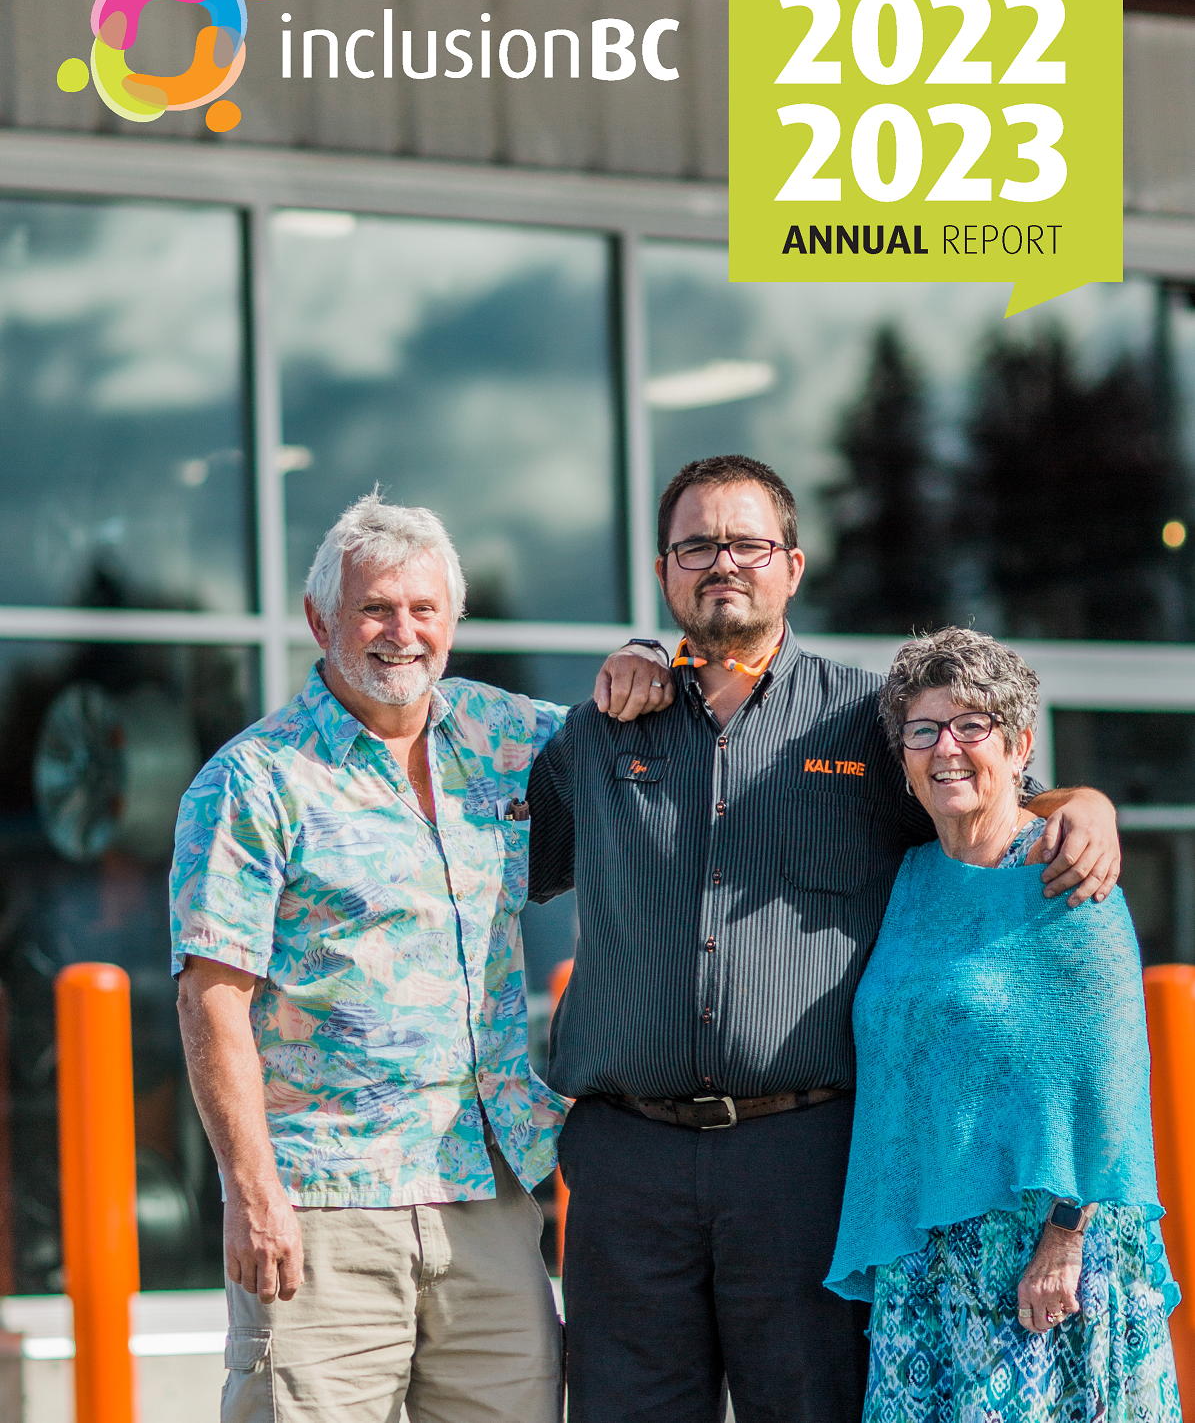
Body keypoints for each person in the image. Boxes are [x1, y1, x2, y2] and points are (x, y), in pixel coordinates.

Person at [527, 453, 1124, 1423]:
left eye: (747, 543)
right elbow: (494, 866)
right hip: (626, 1164)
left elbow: (981, 799)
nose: (722, 562)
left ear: (792, 567)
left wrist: (1084, 802)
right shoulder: (595, 733)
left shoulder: (867, 721)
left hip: (808, 1161)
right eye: (696, 545)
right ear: (663, 571)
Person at [170, 492, 667, 1423]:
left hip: (490, 1196)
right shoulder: (252, 780)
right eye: (374, 608)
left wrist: (643, 661)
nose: (402, 632)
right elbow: (212, 997)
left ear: (454, 622)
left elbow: (653, 748)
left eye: (424, 610)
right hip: (323, 1204)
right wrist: (252, 1192)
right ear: (320, 621)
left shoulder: (508, 735)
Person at [826, 626, 1181, 1423]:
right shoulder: (910, 876)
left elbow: (1113, 1071)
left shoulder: (1063, 870)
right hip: (930, 1263)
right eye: (923, 730)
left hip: (1046, 1261)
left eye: (971, 726)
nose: (945, 747)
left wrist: (1063, 1237)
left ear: (1019, 745)